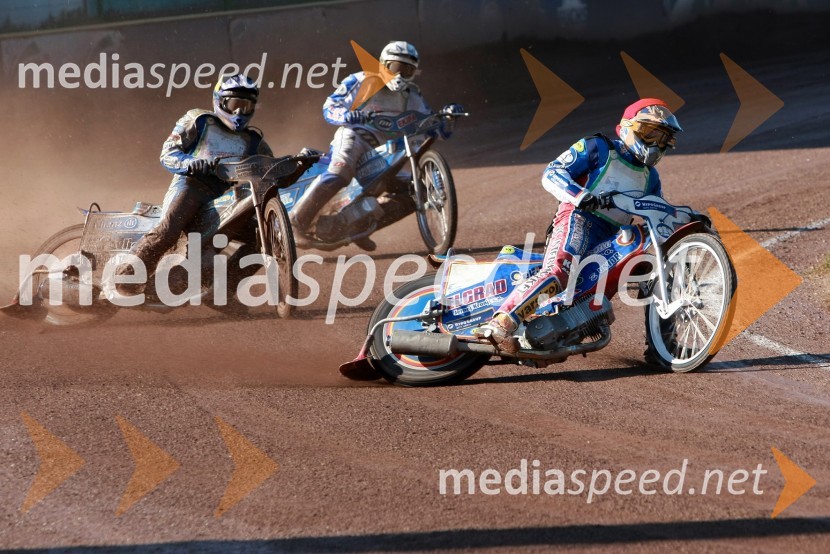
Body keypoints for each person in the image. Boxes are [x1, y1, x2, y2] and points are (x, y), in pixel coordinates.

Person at [474, 98, 685, 353]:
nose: (654, 143)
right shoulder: (598, 147)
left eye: (662, 138)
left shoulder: (651, 177)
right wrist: (580, 196)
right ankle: (500, 323)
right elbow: (552, 172)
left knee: (655, 270)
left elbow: (655, 215)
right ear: (628, 127)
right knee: (559, 271)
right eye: (649, 133)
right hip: (578, 219)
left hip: (613, 237)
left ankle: (663, 346)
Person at [290, 40, 456, 250]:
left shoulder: (412, 94)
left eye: (407, 70)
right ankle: (297, 223)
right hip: (354, 137)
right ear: (384, 65)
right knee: (340, 172)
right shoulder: (361, 80)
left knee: (417, 190)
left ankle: (357, 225)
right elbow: (330, 106)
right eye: (396, 67)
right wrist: (347, 115)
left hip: (383, 151)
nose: (400, 75)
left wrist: (447, 118)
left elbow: (435, 129)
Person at [116, 73, 272, 294]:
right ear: (220, 101)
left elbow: (270, 170)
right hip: (191, 186)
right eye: (235, 104)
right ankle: (126, 274)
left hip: (227, 200)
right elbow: (168, 154)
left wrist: (300, 165)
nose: (239, 113)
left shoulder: (255, 141)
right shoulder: (199, 121)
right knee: (168, 230)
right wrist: (191, 163)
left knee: (261, 240)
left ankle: (222, 292)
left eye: (246, 107)